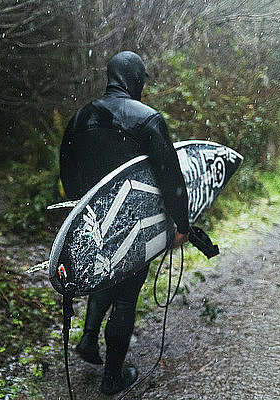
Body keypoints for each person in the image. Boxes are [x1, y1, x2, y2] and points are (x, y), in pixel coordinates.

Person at [59, 51, 190, 395]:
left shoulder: (80, 118)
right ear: (135, 80)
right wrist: (181, 223)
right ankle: (112, 378)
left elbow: (67, 170)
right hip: (135, 222)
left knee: (104, 272)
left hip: (93, 221)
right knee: (127, 297)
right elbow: (170, 176)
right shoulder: (147, 119)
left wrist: (81, 213)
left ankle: (88, 339)